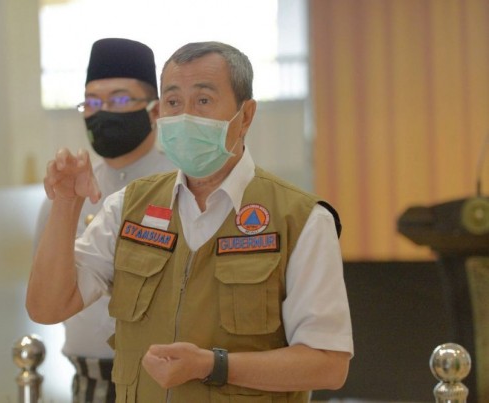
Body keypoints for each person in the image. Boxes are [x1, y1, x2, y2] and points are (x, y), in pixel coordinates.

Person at [28, 41, 353, 402]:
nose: (184, 116)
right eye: (173, 102)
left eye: (202, 100)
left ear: (246, 115)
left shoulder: (301, 219)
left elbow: (328, 364)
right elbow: (48, 307)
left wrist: (214, 366)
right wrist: (66, 203)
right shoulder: (128, 207)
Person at [32, 38, 175, 402]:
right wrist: (66, 203)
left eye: (120, 100)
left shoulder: (182, 186)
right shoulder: (64, 195)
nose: (103, 112)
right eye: (93, 102)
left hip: (167, 380)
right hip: (90, 381)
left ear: (155, 110)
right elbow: (44, 293)